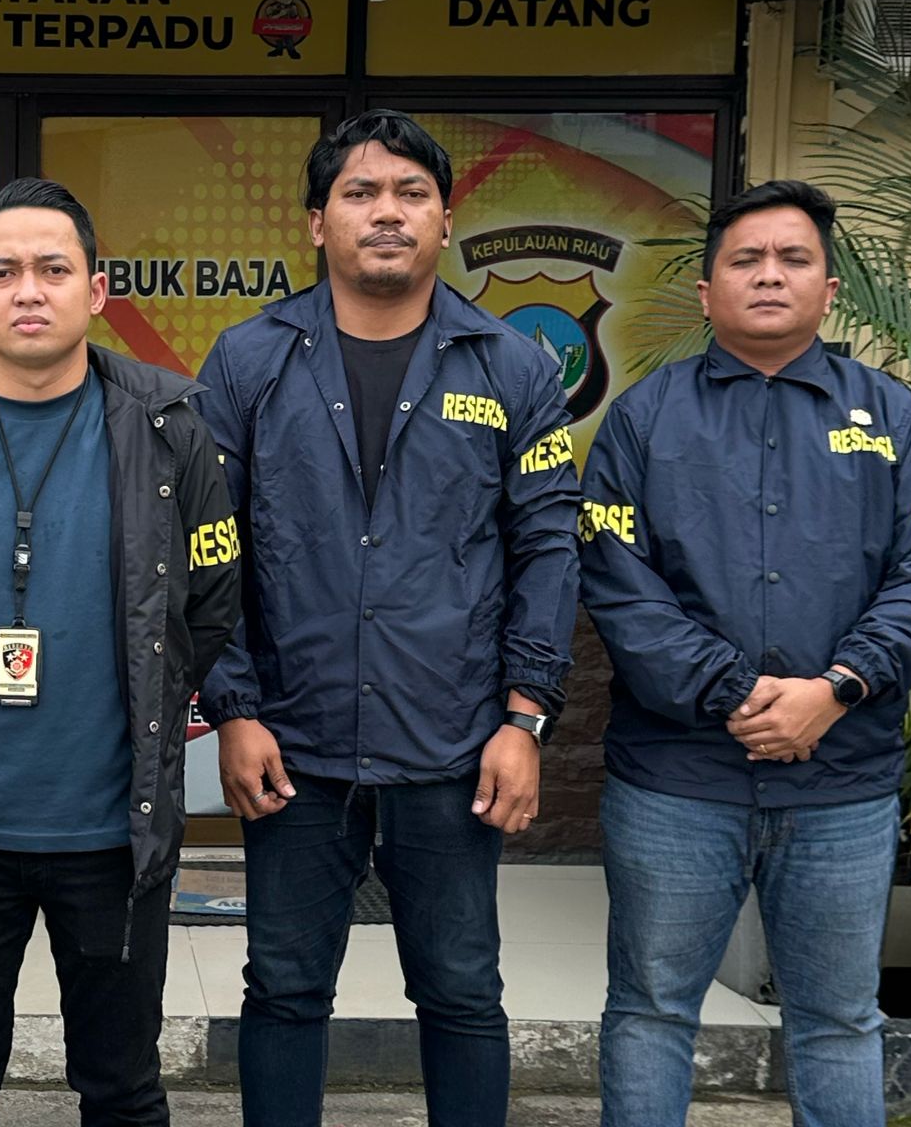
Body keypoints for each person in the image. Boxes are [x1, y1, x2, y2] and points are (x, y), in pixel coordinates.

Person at [198, 110, 582, 1127]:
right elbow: (206, 546)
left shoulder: (513, 366)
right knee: (284, 987)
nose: (386, 212)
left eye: (411, 193)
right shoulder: (246, 361)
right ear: (314, 221)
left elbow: (548, 548)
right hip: (294, 741)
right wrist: (233, 707)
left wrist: (525, 716)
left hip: (454, 743)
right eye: (359, 192)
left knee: (460, 990)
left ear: (444, 221)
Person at [580, 179, 911, 1127]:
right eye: (745, 260)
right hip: (676, 781)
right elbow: (616, 580)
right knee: (649, 1012)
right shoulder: (643, 418)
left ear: (828, 289)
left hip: (843, 782)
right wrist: (738, 693)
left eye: (793, 259)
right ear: (707, 291)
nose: (769, 275)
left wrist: (835, 690)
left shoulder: (894, 417)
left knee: (838, 1022)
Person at [0, 177, 241, 1127]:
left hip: (114, 835)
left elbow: (211, 605)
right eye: (5, 272)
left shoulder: (172, 431)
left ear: (96, 290)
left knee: (122, 1090)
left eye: (54, 269)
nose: (29, 290)